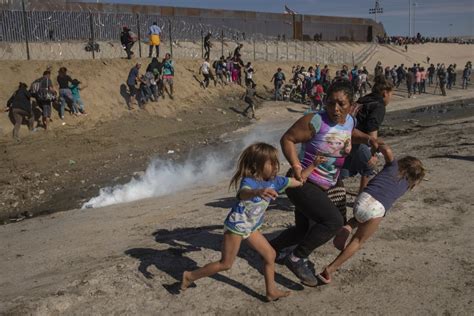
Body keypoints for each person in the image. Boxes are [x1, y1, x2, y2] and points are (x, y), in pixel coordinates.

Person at [181, 142, 325, 301]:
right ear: (256, 165)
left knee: (270, 255)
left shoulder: (276, 181)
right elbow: (243, 194)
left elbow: (299, 181)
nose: (276, 166)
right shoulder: (249, 182)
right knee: (226, 264)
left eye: (276, 163)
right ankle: (190, 276)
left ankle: (271, 291)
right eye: (271, 163)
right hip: (236, 227)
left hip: (251, 228)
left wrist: (313, 165)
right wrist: (258, 191)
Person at [269, 79, 379, 287]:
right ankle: (296, 257)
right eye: (330, 103)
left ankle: (270, 249)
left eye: (341, 104)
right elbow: (287, 139)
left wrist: (368, 139)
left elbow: (350, 134)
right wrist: (297, 166)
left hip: (325, 184)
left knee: (302, 229)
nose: (334, 109)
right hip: (303, 182)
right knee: (334, 222)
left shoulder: (349, 122)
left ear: (351, 105)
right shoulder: (316, 121)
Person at [318, 144, 425, 284]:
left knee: (358, 217)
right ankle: (330, 269)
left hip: (363, 198)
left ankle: (348, 227)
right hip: (377, 208)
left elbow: (386, 149)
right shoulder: (407, 184)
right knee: (358, 240)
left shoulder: (392, 165)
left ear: (403, 163)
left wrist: (373, 153)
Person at [342, 76, 394, 193]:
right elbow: (372, 129)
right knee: (369, 166)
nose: (391, 98)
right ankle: (361, 195)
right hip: (356, 138)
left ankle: (333, 190)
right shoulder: (379, 105)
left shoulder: (364, 99)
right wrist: (373, 154)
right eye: (391, 94)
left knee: (344, 168)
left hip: (343, 134)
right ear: (385, 93)